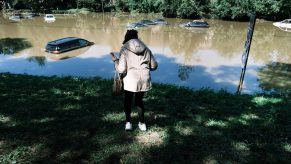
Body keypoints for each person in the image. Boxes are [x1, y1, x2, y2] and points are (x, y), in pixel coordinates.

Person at [110, 29, 158, 131]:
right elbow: (154, 66)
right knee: (139, 101)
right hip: (144, 79)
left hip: (130, 79)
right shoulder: (146, 48)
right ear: (137, 37)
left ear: (126, 37)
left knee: (128, 100)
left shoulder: (124, 49)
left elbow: (121, 69)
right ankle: (142, 124)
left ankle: (128, 124)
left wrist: (115, 61)